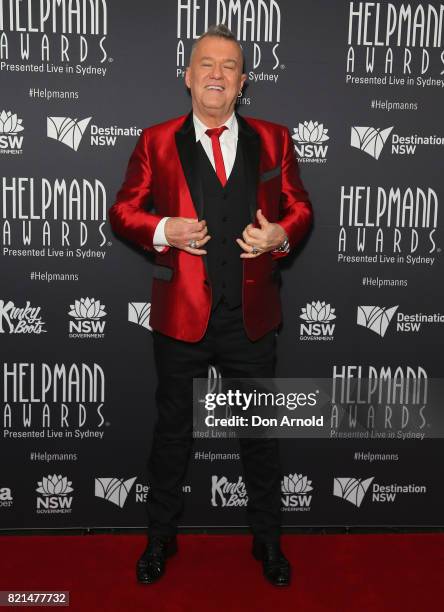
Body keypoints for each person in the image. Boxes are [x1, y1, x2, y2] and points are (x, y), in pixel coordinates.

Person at [108, 23, 312, 587]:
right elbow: (122, 211)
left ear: (243, 82)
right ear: (188, 76)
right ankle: (159, 541)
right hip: (181, 315)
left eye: (229, 66)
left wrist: (281, 236)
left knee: (260, 437)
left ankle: (268, 543)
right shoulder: (155, 141)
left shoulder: (275, 139)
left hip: (250, 317)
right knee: (172, 435)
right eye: (206, 64)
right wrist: (162, 228)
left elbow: (300, 208)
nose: (217, 74)